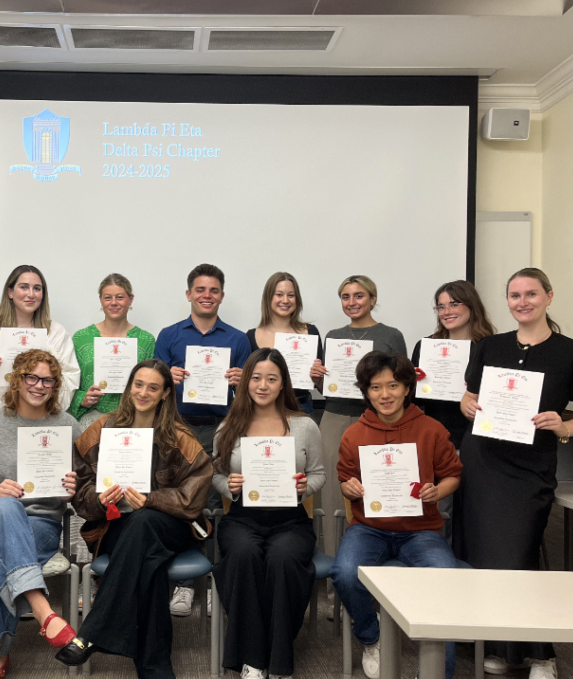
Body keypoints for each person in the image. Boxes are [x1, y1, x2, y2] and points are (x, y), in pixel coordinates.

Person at [456, 268, 573, 679]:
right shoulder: (489, 346)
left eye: (531, 294)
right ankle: (505, 647)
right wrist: (468, 404)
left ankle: (543, 656)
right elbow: (469, 395)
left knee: (517, 554)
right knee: (484, 554)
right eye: (515, 295)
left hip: (529, 469)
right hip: (482, 461)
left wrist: (565, 426)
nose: (522, 302)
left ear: (548, 297)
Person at [56, 360, 213, 679]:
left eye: (153, 387)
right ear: (129, 388)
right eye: (138, 385)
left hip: (170, 526)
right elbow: (80, 495)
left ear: (165, 394)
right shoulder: (101, 429)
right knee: (149, 563)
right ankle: (155, 673)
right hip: (115, 528)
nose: (143, 393)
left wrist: (152, 499)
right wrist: (100, 499)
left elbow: (193, 500)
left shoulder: (182, 437)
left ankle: (92, 632)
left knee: (144, 522)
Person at [330, 350, 462, 679]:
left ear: (407, 388)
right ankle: (372, 637)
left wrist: (439, 490)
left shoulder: (432, 429)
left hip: (421, 529)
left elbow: (453, 473)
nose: (385, 394)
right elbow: (344, 477)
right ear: (366, 392)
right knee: (344, 573)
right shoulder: (354, 433)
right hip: (369, 527)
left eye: (393, 385)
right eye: (376, 387)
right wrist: (349, 486)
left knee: (446, 582)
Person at [0, 349, 81, 679]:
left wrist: (72, 490)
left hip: (41, 524)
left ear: (56, 385)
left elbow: (81, 488)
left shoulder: (67, 425)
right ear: (17, 380)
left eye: (48, 380)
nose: (39, 386)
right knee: (7, 509)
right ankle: (43, 610)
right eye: (32, 377)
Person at [210, 348, 325, 679]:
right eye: (256, 377)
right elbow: (215, 473)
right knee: (243, 555)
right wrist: (225, 485)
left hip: (291, 520)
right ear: (246, 382)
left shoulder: (305, 425)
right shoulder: (229, 426)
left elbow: (319, 474)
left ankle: (279, 665)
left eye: (272, 378)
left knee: (283, 559)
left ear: (282, 384)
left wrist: (307, 485)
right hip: (242, 518)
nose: (263, 385)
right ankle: (252, 663)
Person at [155, 263, 250, 616]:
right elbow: (153, 388)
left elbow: (250, 395)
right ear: (188, 294)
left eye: (213, 290)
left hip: (222, 427)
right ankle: (183, 584)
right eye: (200, 290)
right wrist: (170, 380)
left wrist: (242, 381)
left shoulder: (238, 339)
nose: (206, 296)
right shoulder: (169, 335)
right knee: (182, 502)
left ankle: (212, 580)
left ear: (221, 296)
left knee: (215, 502)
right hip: (178, 428)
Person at [312, 275, 407, 543]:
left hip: (378, 419)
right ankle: (332, 565)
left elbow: (402, 383)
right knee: (331, 491)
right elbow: (327, 388)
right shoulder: (333, 336)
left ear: (372, 299)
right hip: (334, 416)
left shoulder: (391, 336)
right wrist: (318, 379)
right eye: (346, 297)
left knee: (378, 485)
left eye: (359, 296)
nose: (352, 302)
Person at [410, 280, 495, 535]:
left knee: (474, 513)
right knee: (440, 512)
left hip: (479, 443)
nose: (447, 311)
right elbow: (413, 404)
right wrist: (413, 383)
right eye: (441, 306)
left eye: (454, 304)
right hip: (438, 441)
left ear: (472, 306)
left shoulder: (489, 347)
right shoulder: (426, 347)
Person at [0, 264, 79, 421]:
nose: (31, 294)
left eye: (37, 288)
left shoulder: (56, 333)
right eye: (24, 287)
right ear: (10, 292)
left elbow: (69, 383)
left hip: (41, 422)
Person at [70, 273, 156, 429]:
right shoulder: (81, 339)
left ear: (131, 299)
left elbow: (153, 383)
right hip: (90, 422)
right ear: (101, 301)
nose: (114, 303)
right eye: (108, 298)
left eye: (120, 297)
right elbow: (68, 381)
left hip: (133, 421)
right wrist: (82, 398)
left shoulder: (146, 340)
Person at [246, 272, 323, 416]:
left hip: (301, 408)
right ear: (268, 298)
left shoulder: (311, 333)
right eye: (279, 295)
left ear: (297, 299)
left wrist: (319, 380)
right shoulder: (251, 336)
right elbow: (247, 384)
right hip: (261, 412)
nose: (285, 300)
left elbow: (323, 387)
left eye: (291, 295)